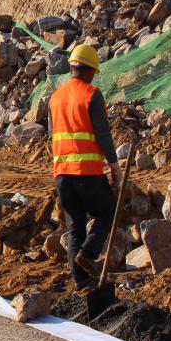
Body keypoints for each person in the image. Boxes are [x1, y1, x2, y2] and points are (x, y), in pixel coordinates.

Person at [48, 44, 121, 290]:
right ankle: (88, 255)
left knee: (74, 226)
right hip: (87, 173)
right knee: (107, 212)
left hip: (62, 176)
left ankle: (81, 281)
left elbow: (52, 135)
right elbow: (103, 134)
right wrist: (114, 165)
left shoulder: (55, 98)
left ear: (71, 67)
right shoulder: (92, 94)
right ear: (90, 71)